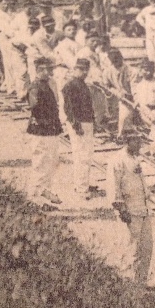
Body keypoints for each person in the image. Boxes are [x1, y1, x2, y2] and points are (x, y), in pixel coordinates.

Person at [107, 129, 154, 287]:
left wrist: (154, 201)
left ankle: (141, 284)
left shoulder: (135, 159)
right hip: (129, 212)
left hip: (143, 210)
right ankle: (128, 285)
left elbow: (142, 185)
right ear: (127, 141)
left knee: (146, 248)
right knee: (131, 249)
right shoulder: (117, 161)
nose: (140, 144)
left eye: (140, 140)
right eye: (136, 140)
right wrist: (121, 210)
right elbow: (113, 188)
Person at [62, 58, 101, 201]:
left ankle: (82, 183)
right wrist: (75, 124)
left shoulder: (83, 84)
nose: (84, 72)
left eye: (86, 69)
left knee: (87, 154)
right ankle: (81, 188)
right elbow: (68, 108)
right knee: (81, 155)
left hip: (87, 122)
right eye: (81, 69)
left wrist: (93, 122)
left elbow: (88, 106)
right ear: (75, 69)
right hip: (79, 124)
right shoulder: (70, 86)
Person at [26, 57, 63, 206]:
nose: (50, 72)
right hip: (41, 130)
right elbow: (35, 108)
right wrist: (46, 120)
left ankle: (44, 189)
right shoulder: (35, 87)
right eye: (48, 70)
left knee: (52, 161)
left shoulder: (49, 84)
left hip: (51, 129)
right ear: (39, 70)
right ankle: (34, 197)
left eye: (50, 69)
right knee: (40, 162)